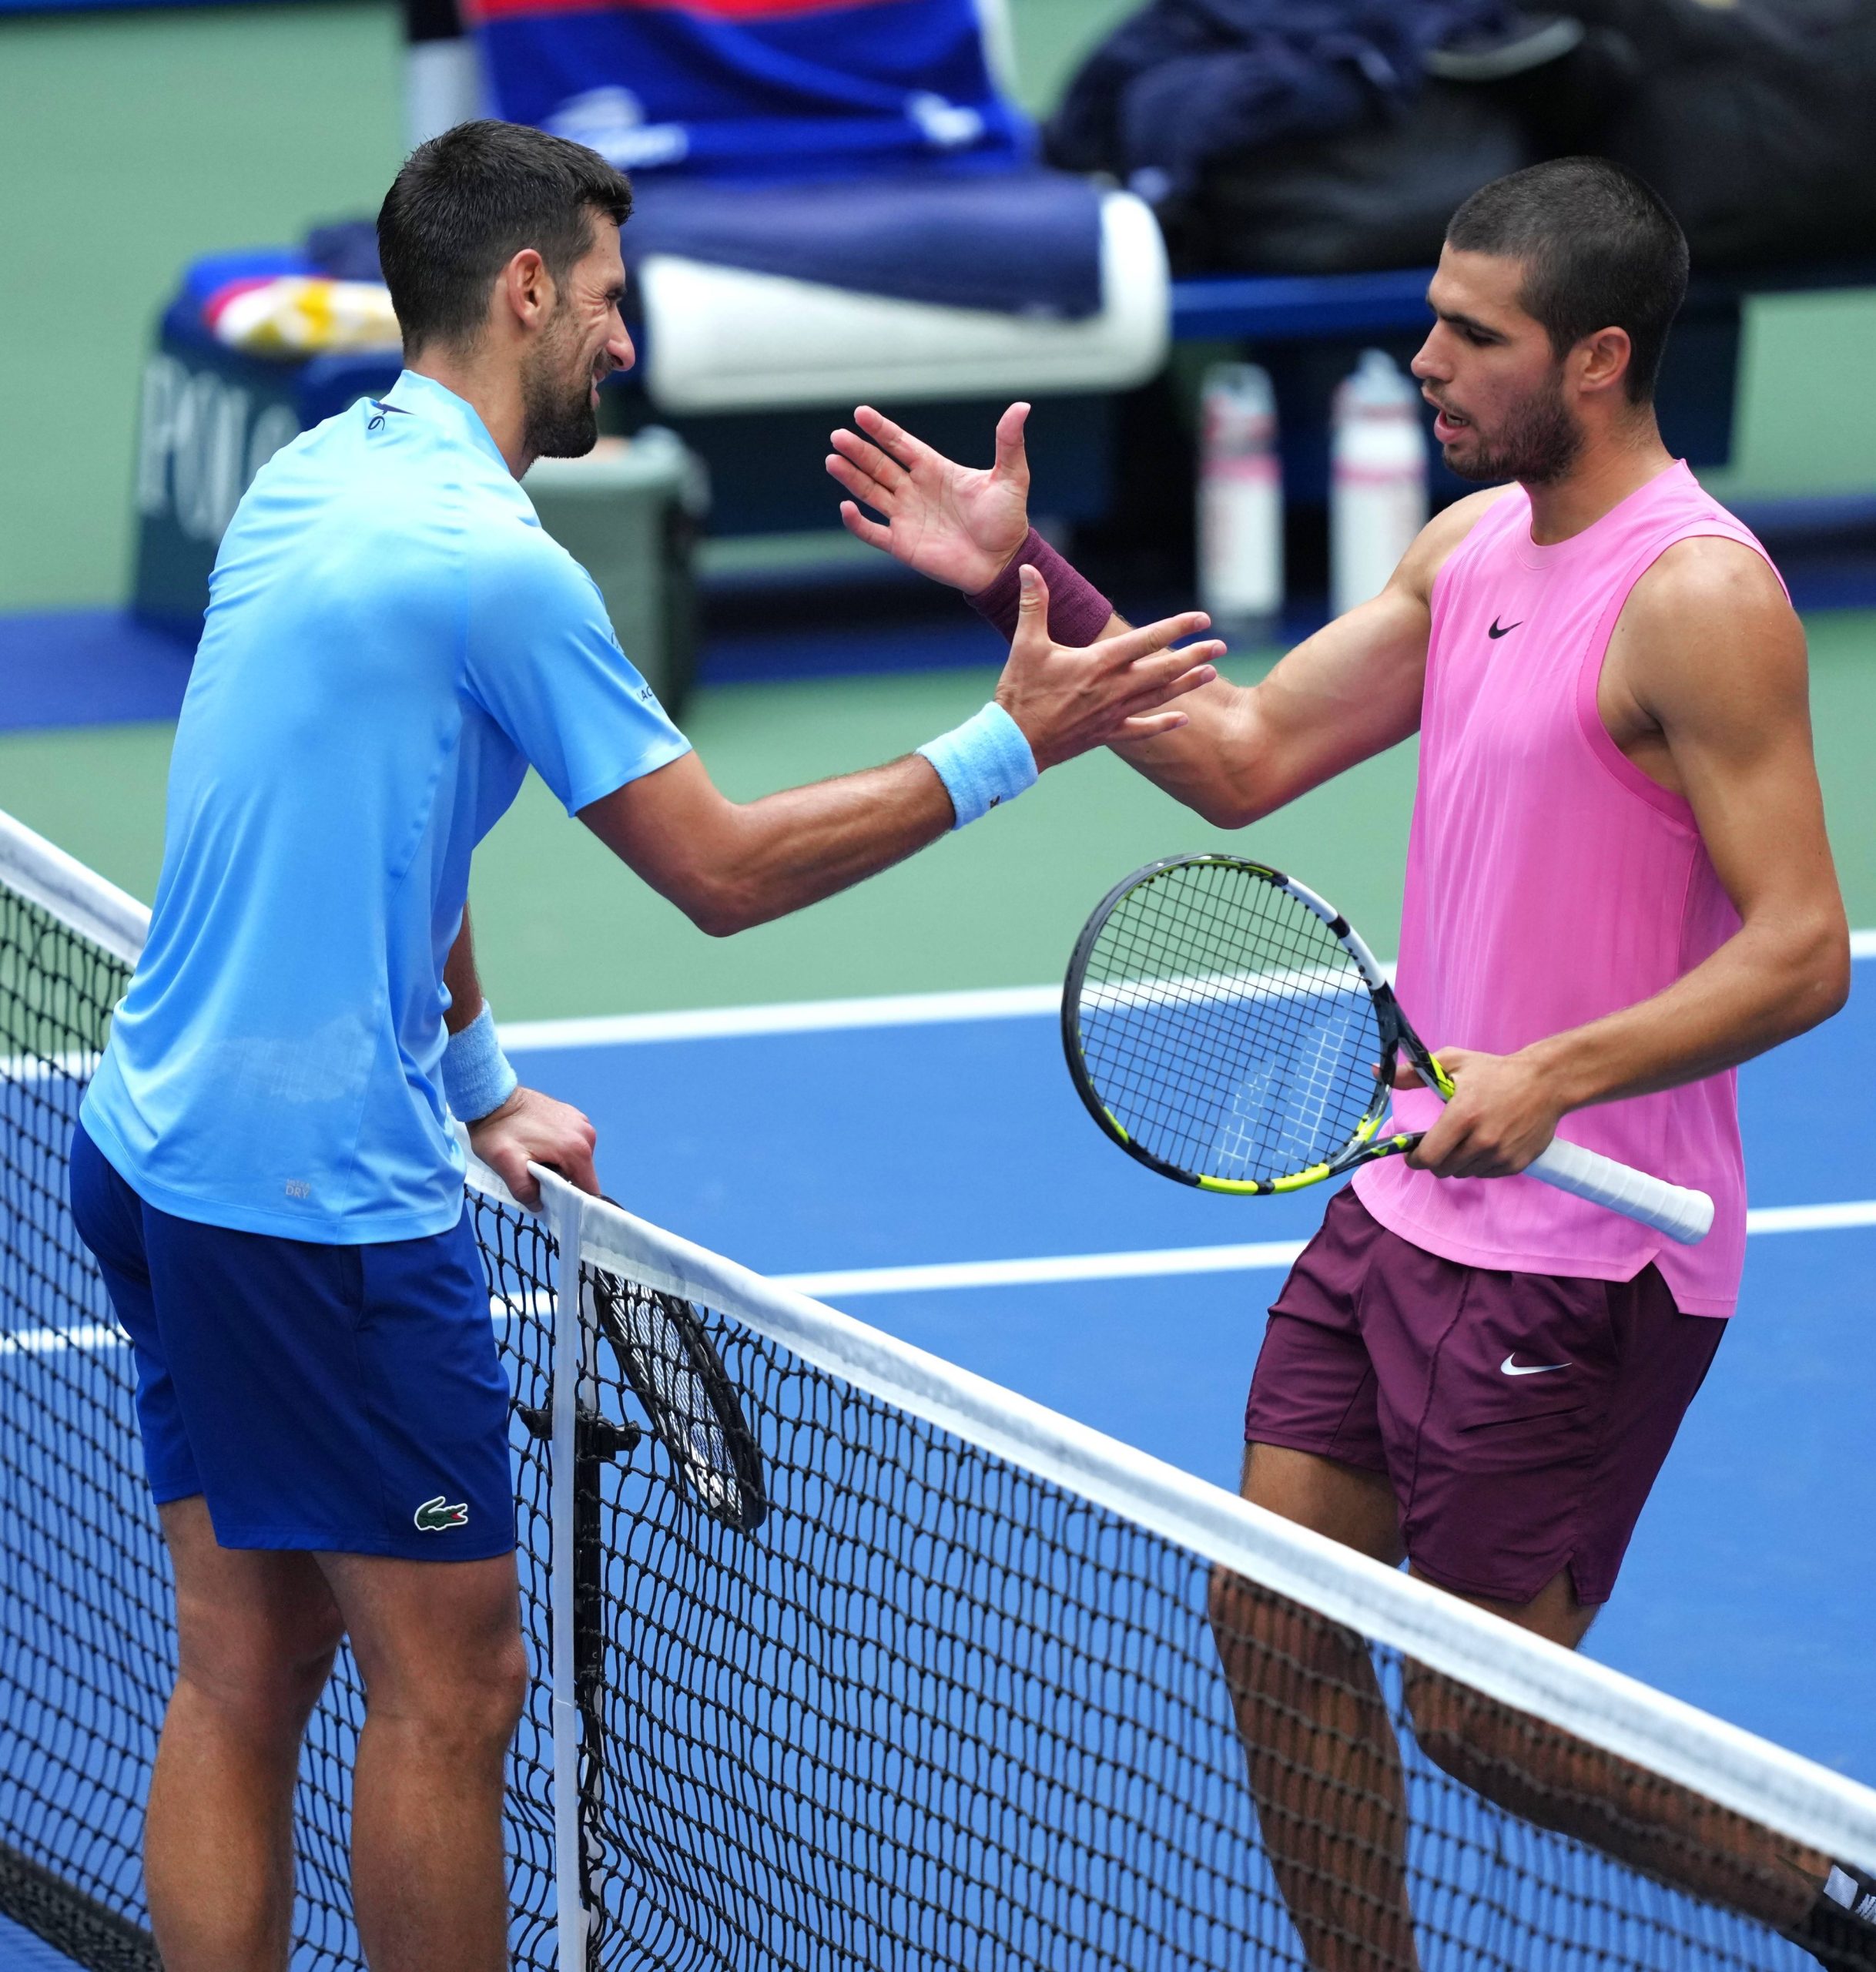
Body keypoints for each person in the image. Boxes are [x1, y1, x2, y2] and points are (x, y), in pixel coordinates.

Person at [66, 119, 1219, 1972]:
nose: (624, 339)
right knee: (456, 1690)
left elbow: (395, 821)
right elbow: (724, 875)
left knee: (242, 1663)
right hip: (317, 1212)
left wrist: (479, 1078)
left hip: (142, 1148)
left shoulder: (313, 477)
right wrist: (1014, 741)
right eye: (606, 301)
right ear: (524, 288)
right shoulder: (500, 569)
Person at [824, 157, 1873, 1970]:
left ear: (1601, 357)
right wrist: (1030, 578)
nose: (1425, 361)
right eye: (1434, 317)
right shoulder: (1468, 549)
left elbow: (1801, 949)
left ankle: (1846, 1897)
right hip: (1401, 1205)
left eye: (1475, 334)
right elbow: (1236, 752)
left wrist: (1548, 1075)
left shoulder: (1699, 598)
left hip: (1587, 1251)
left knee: (1488, 1718)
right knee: (1276, 1617)